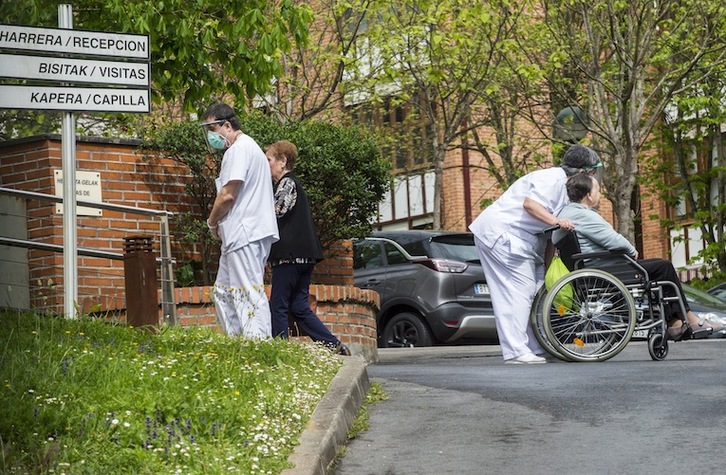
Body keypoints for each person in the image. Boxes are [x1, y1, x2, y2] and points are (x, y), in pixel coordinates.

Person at [469, 144, 603, 364]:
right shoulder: (552, 179)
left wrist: (547, 268)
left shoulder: (566, 190)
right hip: (503, 234)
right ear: (581, 172)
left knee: (533, 288)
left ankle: (532, 346)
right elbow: (530, 205)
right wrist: (556, 221)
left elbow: (549, 237)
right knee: (518, 292)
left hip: (515, 238)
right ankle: (516, 351)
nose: (591, 178)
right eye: (590, 173)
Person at [553, 173, 724, 340]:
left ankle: (676, 322)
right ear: (589, 195)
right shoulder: (585, 215)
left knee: (658, 269)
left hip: (593, 268)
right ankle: (687, 320)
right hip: (606, 269)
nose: (600, 194)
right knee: (663, 267)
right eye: (598, 190)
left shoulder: (565, 213)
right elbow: (613, 240)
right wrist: (631, 250)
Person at [265, 140, 351, 356]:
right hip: (305, 256)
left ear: (282, 161)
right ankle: (334, 345)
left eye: (269, 160)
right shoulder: (294, 184)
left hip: (289, 256)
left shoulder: (286, 183)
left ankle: (281, 353)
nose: (266, 165)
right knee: (299, 306)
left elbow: (277, 211)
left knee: (278, 305)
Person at [201, 103, 279, 338]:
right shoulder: (251, 149)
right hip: (244, 232)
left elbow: (227, 194)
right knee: (224, 292)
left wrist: (212, 222)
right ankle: (236, 341)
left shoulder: (238, 150)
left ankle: (258, 345)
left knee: (247, 290)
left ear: (227, 125)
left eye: (213, 129)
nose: (211, 136)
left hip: (244, 231)